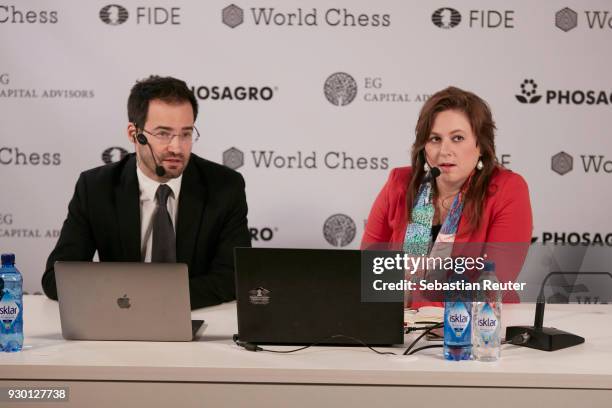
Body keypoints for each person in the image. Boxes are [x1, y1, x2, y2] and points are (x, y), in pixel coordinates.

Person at [42, 75, 251, 309]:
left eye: (186, 133)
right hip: (119, 320)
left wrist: (150, 299)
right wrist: (129, 300)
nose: (177, 147)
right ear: (134, 134)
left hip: (195, 319)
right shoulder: (96, 187)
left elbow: (233, 277)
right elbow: (55, 279)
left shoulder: (224, 186)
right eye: (163, 133)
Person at [362, 86, 532, 306]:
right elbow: (370, 272)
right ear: (423, 146)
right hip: (402, 328)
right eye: (435, 139)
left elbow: (490, 287)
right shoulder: (399, 183)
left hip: (480, 328)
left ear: (481, 145)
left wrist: (411, 304)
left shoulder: (507, 189)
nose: (445, 150)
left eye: (458, 138)